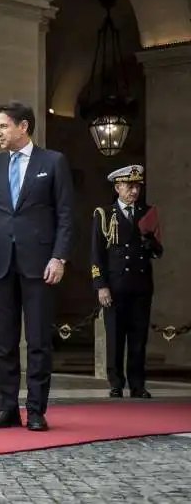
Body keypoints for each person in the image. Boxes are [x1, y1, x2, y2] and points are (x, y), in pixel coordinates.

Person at [0, 101, 73, 432]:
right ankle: (6, 408)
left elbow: (66, 214)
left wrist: (59, 256)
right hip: (0, 263)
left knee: (38, 339)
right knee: (4, 342)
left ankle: (36, 410)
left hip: (40, 264)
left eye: (3, 126)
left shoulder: (52, 162)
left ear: (23, 127)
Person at [91, 165, 162, 399]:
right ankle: (115, 383)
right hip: (115, 285)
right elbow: (97, 253)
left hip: (141, 286)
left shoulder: (147, 212)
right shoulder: (104, 214)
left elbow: (158, 252)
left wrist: (151, 242)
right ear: (117, 187)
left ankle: (138, 384)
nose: (134, 192)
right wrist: (101, 285)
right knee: (115, 336)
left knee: (138, 337)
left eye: (137, 187)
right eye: (130, 187)